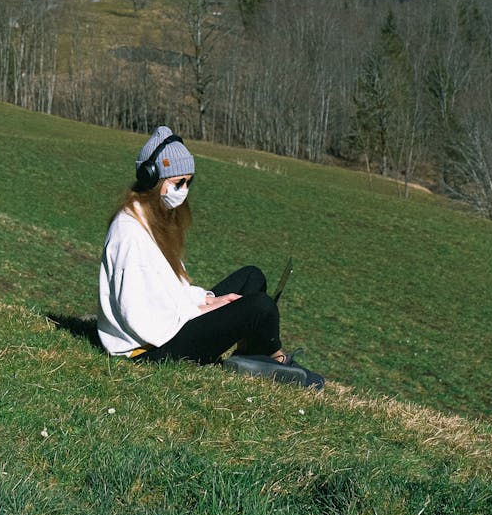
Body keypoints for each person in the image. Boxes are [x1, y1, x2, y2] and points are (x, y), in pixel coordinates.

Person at [97, 125, 323, 386]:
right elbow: (141, 316)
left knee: (252, 277)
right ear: (152, 179)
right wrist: (202, 309)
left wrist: (207, 299)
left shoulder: (151, 220)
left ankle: (252, 357)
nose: (184, 190)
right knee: (261, 306)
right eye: (177, 183)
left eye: (188, 183)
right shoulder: (130, 234)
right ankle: (276, 360)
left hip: (169, 326)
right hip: (149, 350)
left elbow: (170, 288)